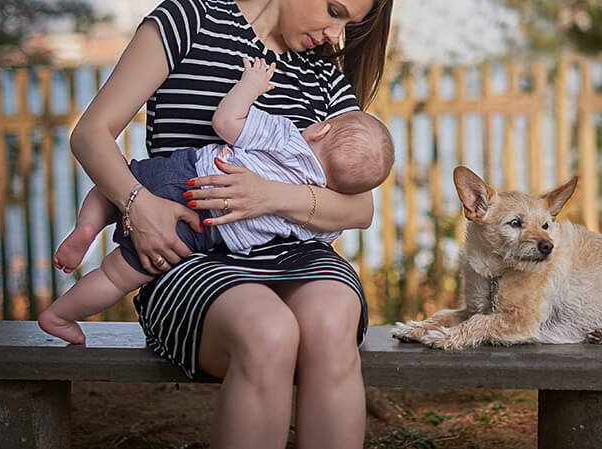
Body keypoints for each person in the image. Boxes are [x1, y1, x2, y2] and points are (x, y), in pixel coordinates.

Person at [63, 0, 393, 449]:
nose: (336, 37)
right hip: (185, 253)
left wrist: (272, 197)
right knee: (268, 332)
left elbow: (358, 211)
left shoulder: (323, 77)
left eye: (347, 25)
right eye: (335, 12)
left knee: (331, 324)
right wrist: (138, 205)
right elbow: (91, 134)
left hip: (299, 257)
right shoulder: (187, 22)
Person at [39, 56, 395, 345]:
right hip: (204, 232)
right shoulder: (311, 210)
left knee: (117, 184)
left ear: (321, 129)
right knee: (117, 276)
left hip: (190, 175)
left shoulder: (287, 137)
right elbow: (332, 225)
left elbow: (226, 121)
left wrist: (250, 86)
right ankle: (60, 316)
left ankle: (87, 227)